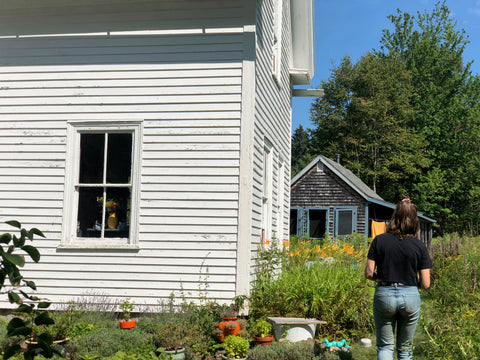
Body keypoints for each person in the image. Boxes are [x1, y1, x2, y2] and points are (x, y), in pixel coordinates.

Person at [364, 198, 432, 360]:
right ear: (415, 221)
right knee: (405, 349)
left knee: (386, 346)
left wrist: (381, 278)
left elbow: (368, 273)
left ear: (394, 218)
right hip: (409, 295)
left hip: (384, 294)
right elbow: (426, 283)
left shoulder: (379, 240)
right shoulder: (419, 245)